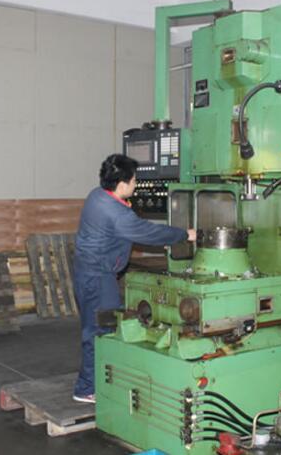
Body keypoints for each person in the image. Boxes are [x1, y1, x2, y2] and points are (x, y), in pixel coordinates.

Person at [72, 154, 196, 403]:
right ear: (122, 184)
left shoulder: (97, 195)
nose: (136, 184)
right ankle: (87, 388)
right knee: (102, 329)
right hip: (98, 276)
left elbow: (124, 231)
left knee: (95, 326)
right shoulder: (117, 213)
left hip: (85, 270)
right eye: (134, 180)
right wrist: (184, 234)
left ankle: (96, 380)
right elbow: (147, 232)